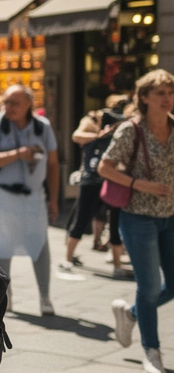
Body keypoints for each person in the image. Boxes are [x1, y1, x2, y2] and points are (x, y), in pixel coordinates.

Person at [102, 70, 174, 373]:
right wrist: (139, 184)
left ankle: (130, 313)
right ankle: (152, 352)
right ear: (144, 97)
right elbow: (105, 167)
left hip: (170, 216)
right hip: (138, 216)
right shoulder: (132, 130)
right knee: (147, 287)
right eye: (160, 92)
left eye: (170, 91)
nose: (167, 97)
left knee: (172, 284)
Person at [0, 85, 60, 316]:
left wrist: (54, 199)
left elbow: (53, 164)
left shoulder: (42, 127)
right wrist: (18, 154)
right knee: (1, 248)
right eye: (6, 102)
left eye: (14, 103)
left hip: (33, 197)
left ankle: (44, 296)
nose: (8, 107)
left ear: (29, 104)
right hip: (1, 196)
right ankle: (5, 297)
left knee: (40, 245)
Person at [65, 95, 128, 274]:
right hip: (91, 176)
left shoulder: (124, 124)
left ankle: (117, 264)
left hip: (113, 178)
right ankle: (67, 259)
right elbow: (76, 136)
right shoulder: (92, 119)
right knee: (82, 217)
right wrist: (98, 134)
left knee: (114, 221)